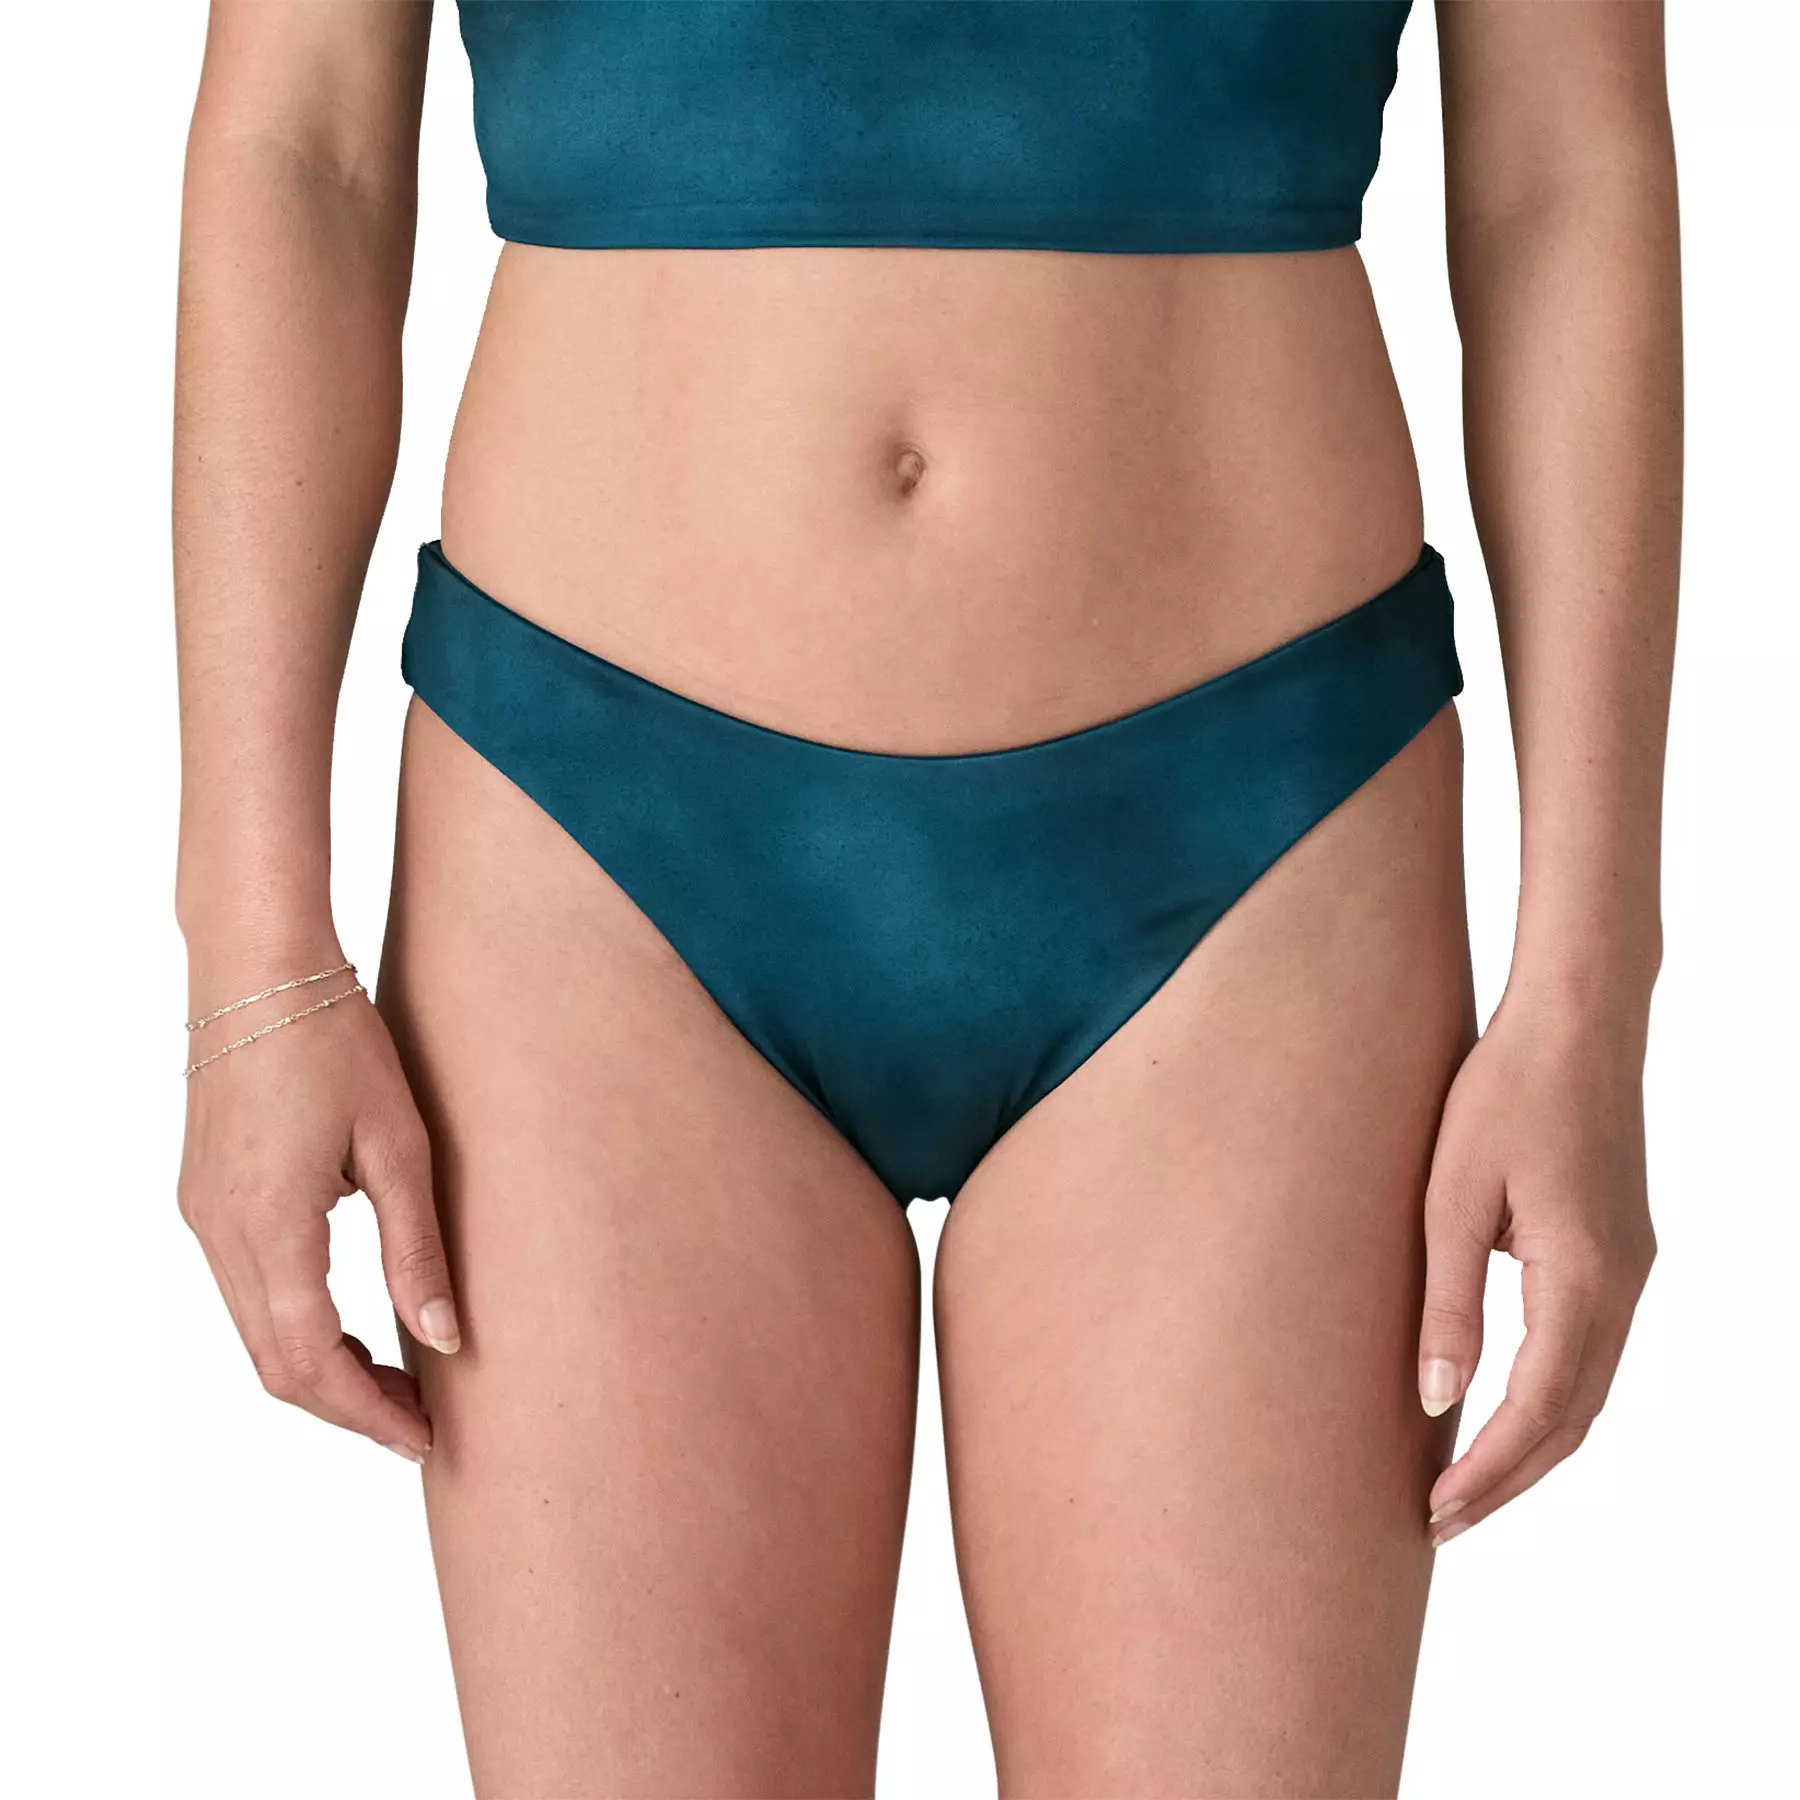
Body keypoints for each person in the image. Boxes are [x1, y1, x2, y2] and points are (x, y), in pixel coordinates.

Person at [171, 4, 1678, 1795]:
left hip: (1262, 850)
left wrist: (1590, 992)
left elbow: (1562, 174)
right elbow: (306, 149)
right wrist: (252, 959)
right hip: (591, 854)